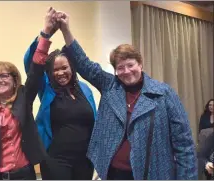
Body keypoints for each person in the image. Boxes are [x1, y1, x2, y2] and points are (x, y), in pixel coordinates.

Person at [54, 12, 198, 180]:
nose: (126, 71)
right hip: (113, 174)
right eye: (120, 67)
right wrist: (65, 30)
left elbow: (184, 145)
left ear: (140, 64)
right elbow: (83, 63)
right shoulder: (110, 86)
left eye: (131, 65)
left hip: (153, 175)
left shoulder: (164, 93)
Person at [22, 7, 97, 180]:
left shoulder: (85, 89)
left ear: (72, 68)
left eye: (64, 68)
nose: (60, 73)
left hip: (85, 160)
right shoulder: (46, 88)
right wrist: (46, 33)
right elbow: (31, 63)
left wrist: (66, 30)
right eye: (55, 70)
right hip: (55, 160)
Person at [0, 61, 47, 180]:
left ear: (15, 80)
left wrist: (43, 42)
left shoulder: (23, 98)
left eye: (4, 75)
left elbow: (35, 74)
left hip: (25, 174)